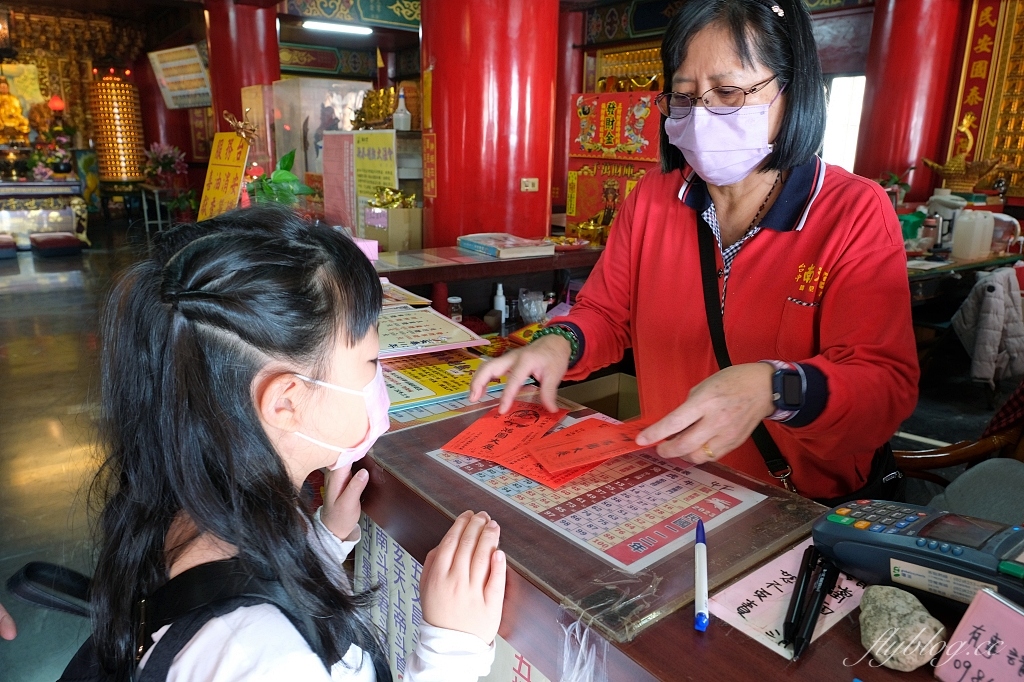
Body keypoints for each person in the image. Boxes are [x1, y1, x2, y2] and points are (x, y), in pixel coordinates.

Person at [471, 0, 918, 503]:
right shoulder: (654, 200)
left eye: (728, 93)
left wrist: (772, 388)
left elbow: (883, 387)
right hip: (678, 489)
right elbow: (604, 313)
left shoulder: (852, 210)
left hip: (795, 507)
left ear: (791, 91)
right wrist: (558, 344)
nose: (703, 115)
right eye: (684, 97)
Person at [90, 205, 505, 681]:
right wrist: (449, 655)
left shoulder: (183, 501)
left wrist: (321, 543)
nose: (380, 378)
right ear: (286, 401)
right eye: (370, 363)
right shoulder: (267, 657)